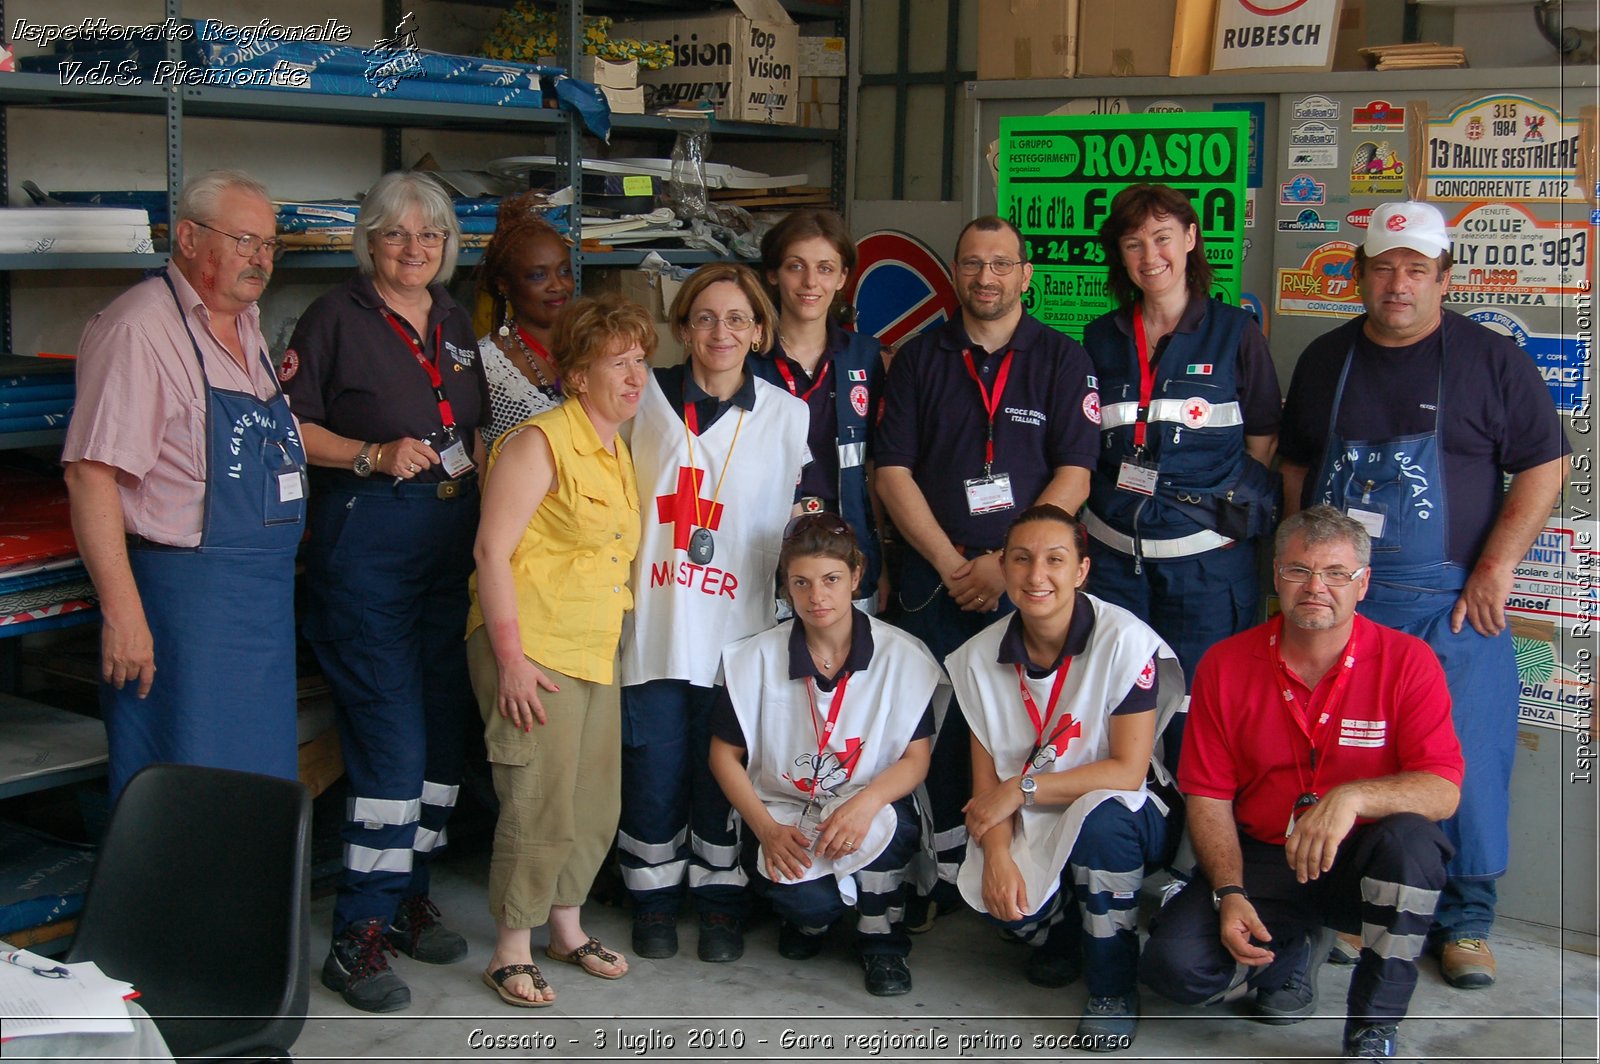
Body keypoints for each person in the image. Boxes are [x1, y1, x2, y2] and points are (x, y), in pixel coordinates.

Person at [1277, 200, 1567, 989]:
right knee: (1337, 751)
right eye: (1382, 268)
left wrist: (1497, 566)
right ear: (1360, 277)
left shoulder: (1490, 360)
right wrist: (1303, 574)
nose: (1397, 284)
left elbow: (1545, 463)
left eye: (1414, 270)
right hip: (1344, 606)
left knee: (1466, 761)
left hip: (1451, 604)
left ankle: (1467, 922)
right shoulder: (1325, 360)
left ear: (1444, 278)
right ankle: (1344, 905)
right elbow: (1297, 466)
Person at [1140, 506, 1465, 1061]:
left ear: (1362, 583)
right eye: (1299, 570)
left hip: (1363, 861)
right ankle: (1289, 953)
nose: (1317, 587)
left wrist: (1353, 796)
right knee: (1173, 970)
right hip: (1265, 858)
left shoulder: (1408, 661)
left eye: (1337, 573)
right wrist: (1230, 892)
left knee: (1414, 843)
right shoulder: (1225, 664)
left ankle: (1373, 1026)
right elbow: (1210, 797)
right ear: (1276, 577)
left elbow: (1443, 788)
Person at [281, 171, 489, 1014]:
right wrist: (367, 455)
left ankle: (408, 895)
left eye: (430, 236)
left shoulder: (453, 318)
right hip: (367, 550)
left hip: (448, 550)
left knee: (442, 747)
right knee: (394, 750)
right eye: (398, 235)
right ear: (370, 240)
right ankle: (356, 938)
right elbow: (286, 424)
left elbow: (469, 423)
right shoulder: (334, 319)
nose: (414, 250)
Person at [876, 215, 1101, 924]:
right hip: (933, 582)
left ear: (1026, 274)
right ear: (956, 274)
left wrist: (1007, 564)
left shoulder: (1064, 359)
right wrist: (951, 563)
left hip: (1027, 588)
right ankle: (938, 876)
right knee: (932, 731)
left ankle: (1022, 873)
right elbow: (891, 472)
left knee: (1022, 730)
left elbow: (1077, 472)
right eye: (972, 263)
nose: (986, 277)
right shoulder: (918, 358)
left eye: (1002, 264)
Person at [63, 170, 302, 801]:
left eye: (270, 245)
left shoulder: (245, 323)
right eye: (245, 241)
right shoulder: (139, 330)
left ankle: (241, 906)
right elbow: (91, 476)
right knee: (182, 792)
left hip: (262, 604)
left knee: (253, 794)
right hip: (184, 610)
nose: (261, 259)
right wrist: (123, 615)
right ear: (190, 238)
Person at [616, 263, 810, 964]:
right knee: (654, 767)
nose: (720, 332)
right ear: (681, 327)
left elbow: (803, 518)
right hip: (657, 626)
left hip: (739, 633)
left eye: (736, 319)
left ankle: (722, 900)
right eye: (704, 317)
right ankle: (654, 898)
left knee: (723, 770)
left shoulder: (790, 414)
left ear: (759, 329)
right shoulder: (643, 399)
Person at [465, 294, 652, 1007]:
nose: (635, 376)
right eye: (618, 362)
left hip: (593, 646)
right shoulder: (540, 441)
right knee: (536, 799)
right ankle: (510, 947)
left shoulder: (616, 450)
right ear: (576, 374)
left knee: (592, 799)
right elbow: (490, 549)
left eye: (640, 360)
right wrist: (511, 659)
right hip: (532, 646)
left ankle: (566, 930)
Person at [948, 504, 1185, 1049]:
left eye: (1055, 560)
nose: (1037, 576)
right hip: (1029, 812)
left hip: (1123, 812)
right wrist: (1000, 857)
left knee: (1099, 821)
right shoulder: (977, 657)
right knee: (1003, 904)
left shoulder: (1124, 641)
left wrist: (1021, 787)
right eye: (1022, 560)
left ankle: (1112, 984)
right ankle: (1065, 936)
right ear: (1002, 568)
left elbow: (1127, 772)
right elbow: (987, 794)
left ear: (1081, 570)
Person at [709, 514, 939, 995]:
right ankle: (810, 920)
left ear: (856, 577)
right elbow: (722, 756)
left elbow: (916, 760)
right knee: (808, 905)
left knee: (887, 830)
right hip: (786, 808)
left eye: (832, 579)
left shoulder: (903, 656)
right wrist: (767, 831)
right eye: (802, 583)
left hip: (869, 799)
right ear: (785, 587)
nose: (818, 597)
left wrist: (866, 803)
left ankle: (882, 943)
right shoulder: (753, 659)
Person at [1080, 184, 1281, 721]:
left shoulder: (1236, 333)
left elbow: (1261, 438)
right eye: (1133, 244)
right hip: (1114, 564)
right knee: (1118, 704)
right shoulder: (1099, 338)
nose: (1151, 257)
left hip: (1207, 571)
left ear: (1190, 238)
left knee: (1201, 710)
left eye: (1163, 238)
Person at [751, 210, 886, 611]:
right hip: (760, 561)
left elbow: (875, 466)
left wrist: (877, 559)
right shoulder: (746, 358)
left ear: (843, 277)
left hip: (847, 558)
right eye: (796, 267)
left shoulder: (864, 356)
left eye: (825, 268)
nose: (811, 283)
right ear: (773, 274)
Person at [475, 191, 573, 444]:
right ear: (504, 285)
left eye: (564, 271)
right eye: (538, 276)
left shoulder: (595, 345)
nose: (558, 286)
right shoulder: (485, 365)